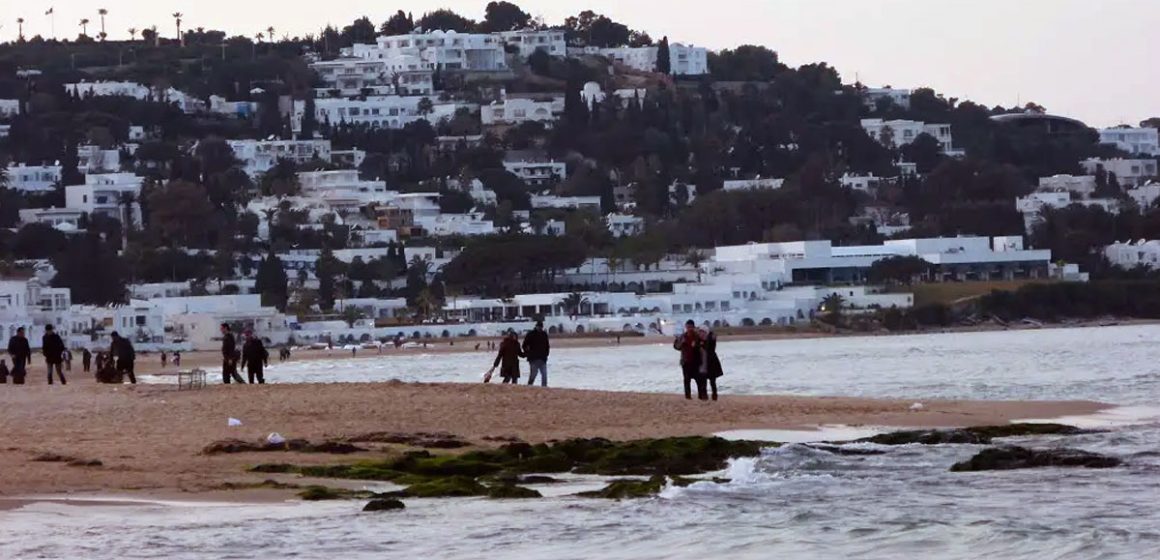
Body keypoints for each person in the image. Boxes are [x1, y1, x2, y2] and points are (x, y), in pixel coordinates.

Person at [673, 320, 707, 400]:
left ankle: (701, 396)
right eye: (688, 327)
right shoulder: (683, 336)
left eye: (691, 327)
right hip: (686, 362)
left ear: (693, 327)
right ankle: (688, 397)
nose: (689, 329)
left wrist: (697, 345)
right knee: (687, 380)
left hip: (696, 361)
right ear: (686, 327)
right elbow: (676, 347)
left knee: (699, 380)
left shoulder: (697, 336)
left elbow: (704, 346)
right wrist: (681, 343)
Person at [522, 321, 551, 387]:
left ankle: (544, 387)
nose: (539, 328)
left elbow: (547, 345)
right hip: (533, 358)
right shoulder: (531, 334)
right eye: (538, 326)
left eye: (540, 327)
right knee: (534, 373)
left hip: (542, 358)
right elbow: (524, 345)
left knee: (544, 374)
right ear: (536, 326)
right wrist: (528, 353)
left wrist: (546, 354)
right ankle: (530, 385)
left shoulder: (544, 334)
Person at [699, 328, 724, 401]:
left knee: (712, 381)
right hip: (702, 363)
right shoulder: (699, 341)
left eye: (703, 332)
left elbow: (712, 340)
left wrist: (712, 335)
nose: (701, 334)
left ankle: (714, 396)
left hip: (711, 363)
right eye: (700, 333)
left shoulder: (710, 340)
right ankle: (704, 396)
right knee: (703, 381)